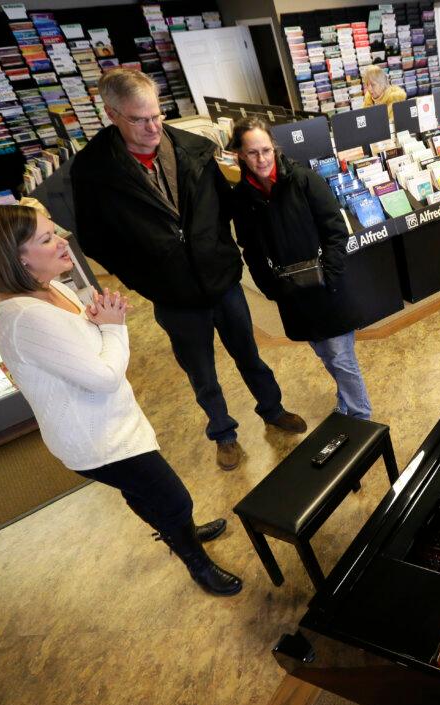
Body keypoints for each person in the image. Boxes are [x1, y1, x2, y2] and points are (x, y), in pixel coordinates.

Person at [0, 205, 242, 596]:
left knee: (143, 493)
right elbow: (103, 376)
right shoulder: (26, 317)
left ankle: (179, 533)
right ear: (17, 257)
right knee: (173, 498)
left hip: (111, 422)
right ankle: (194, 558)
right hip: (98, 441)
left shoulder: (51, 286)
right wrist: (115, 328)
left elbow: (88, 341)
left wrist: (102, 324)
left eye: (55, 232)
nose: (62, 242)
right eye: (47, 239)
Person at [70, 68, 306, 472]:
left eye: (157, 115)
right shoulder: (93, 171)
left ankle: (273, 409)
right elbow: (95, 240)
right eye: (138, 119)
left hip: (221, 280)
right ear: (111, 114)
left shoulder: (194, 149)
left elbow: (226, 207)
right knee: (201, 372)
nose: (152, 127)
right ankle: (224, 433)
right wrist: (147, 279)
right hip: (173, 294)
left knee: (249, 354)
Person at [228, 118, 372, 420]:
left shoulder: (305, 181)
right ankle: (345, 400)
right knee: (324, 355)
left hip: (327, 289)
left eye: (266, 150)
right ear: (240, 154)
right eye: (252, 152)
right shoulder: (242, 199)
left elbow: (336, 231)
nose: (262, 158)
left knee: (342, 358)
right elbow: (250, 249)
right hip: (291, 294)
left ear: (274, 147)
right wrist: (269, 286)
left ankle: (362, 419)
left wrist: (330, 274)